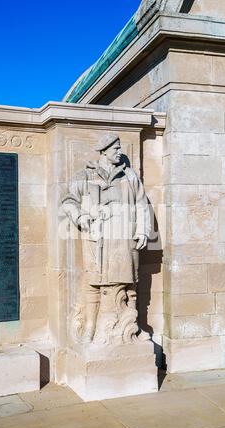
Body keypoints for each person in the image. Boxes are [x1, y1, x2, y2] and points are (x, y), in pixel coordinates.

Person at [62, 133, 151, 343]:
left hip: (124, 239)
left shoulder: (129, 176)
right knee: (94, 282)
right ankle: (91, 327)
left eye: (120, 148)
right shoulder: (84, 176)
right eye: (115, 149)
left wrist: (142, 230)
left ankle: (132, 328)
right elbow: (68, 200)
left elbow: (141, 203)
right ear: (103, 152)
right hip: (97, 238)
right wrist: (81, 216)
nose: (120, 152)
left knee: (130, 283)